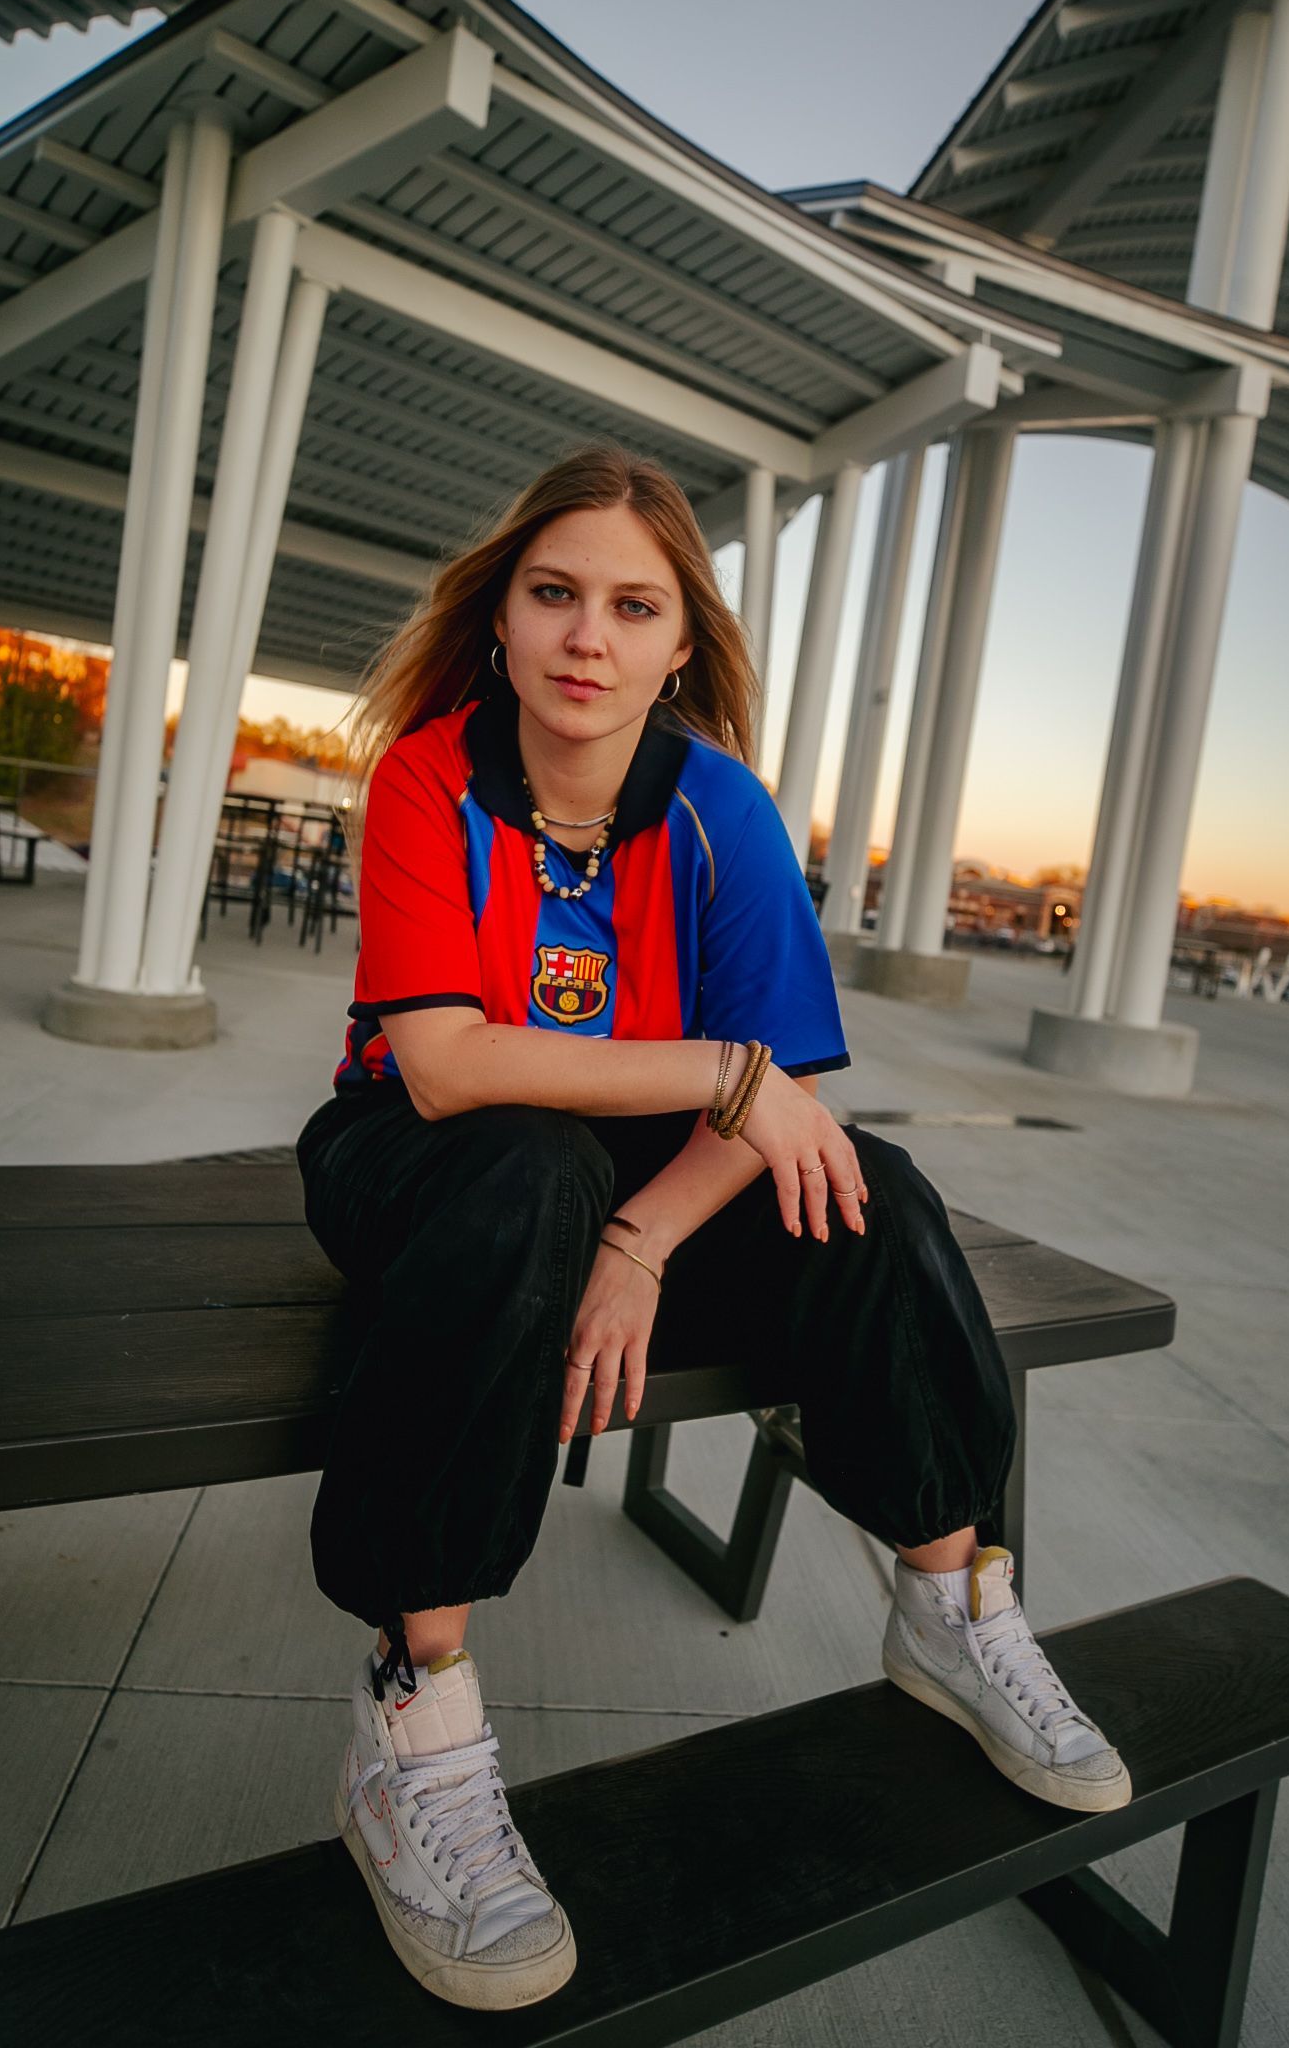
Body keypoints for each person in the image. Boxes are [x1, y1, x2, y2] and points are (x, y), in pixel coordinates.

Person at [297, 444, 1129, 2012]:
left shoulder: (722, 810)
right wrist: (720, 1074)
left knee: (868, 1197)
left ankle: (953, 1601)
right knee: (532, 1165)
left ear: (683, 643)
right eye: (553, 594)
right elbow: (450, 1062)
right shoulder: (428, 774)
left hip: (625, 1176)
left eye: (630, 605)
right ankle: (418, 1719)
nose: (585, 637)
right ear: (502, 618)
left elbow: (791, 1103)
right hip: (422, 1160)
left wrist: (645, 1242)